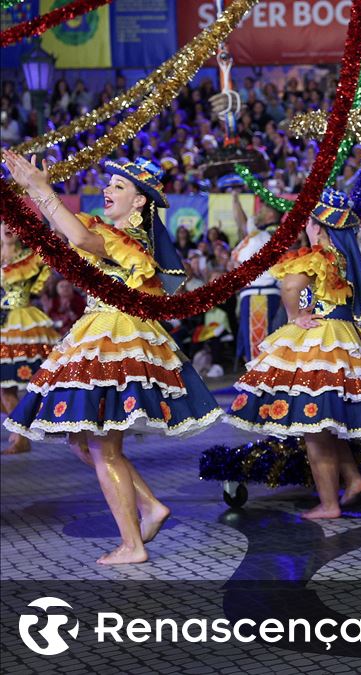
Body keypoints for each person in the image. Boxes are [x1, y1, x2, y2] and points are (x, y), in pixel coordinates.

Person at [2, 151, 221, 564]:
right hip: (98, 330)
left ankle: (133, 544)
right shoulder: (111, 234)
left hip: (115, 336)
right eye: (109, 184)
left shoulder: (130, 241)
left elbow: (81, 239)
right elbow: (70, 236)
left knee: (103, 447)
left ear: (140, 202)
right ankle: (150, 507)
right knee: (82, 441)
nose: (107, 190)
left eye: (118, 186)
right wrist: (36, 193)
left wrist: (41, 190)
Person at [225, 189, 361, 520]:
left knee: (313, 426)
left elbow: (290, 286)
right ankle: (354, 479)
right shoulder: (346, 258)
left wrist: (292, 316)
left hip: (320, 338)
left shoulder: (318, 255)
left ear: (319, 227)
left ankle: (329, 504)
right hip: (346, 338)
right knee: (327, 420)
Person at [0, 227, 57, 455]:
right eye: (3, 222)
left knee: (13, 385)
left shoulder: (29, 257)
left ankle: (23, 437)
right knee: (5, 389)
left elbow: (52, 253)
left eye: (12, 223)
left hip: (21, 323)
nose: (6, 227)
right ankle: (20, 434)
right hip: (4, 324)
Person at [230, 187, 285, 367]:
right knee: (253, 344)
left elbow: (244, 224)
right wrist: (235, 199)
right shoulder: (259, 234)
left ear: (272, 215)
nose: (258, 212)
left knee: (258, 345)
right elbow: (243, 223)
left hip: (261, 295)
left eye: (263, 209)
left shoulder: (270, 235)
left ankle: (259, 387)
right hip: (254, 294)